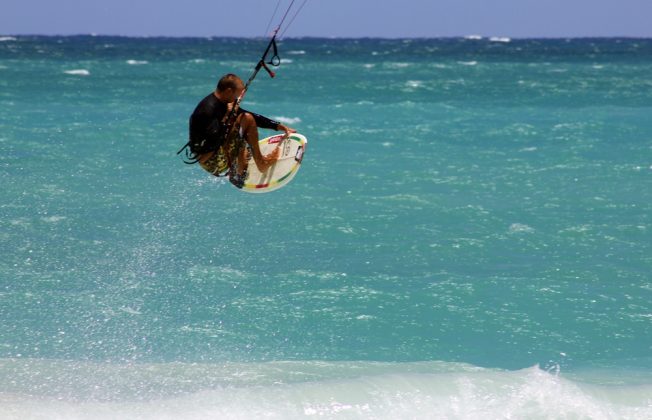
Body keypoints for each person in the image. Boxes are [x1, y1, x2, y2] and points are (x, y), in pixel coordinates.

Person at [187, 73, 295, 186]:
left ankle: (238, 169)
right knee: (246, 120)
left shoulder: (223, 102)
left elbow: (248, 116)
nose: (236, 99)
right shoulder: (207, 110)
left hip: (217, 152)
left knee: (244, 119)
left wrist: (278, 126)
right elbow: (212, 143)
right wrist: (228, 116)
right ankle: (257, 165)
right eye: (236, 95)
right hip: (212, 162)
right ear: (228, 91)